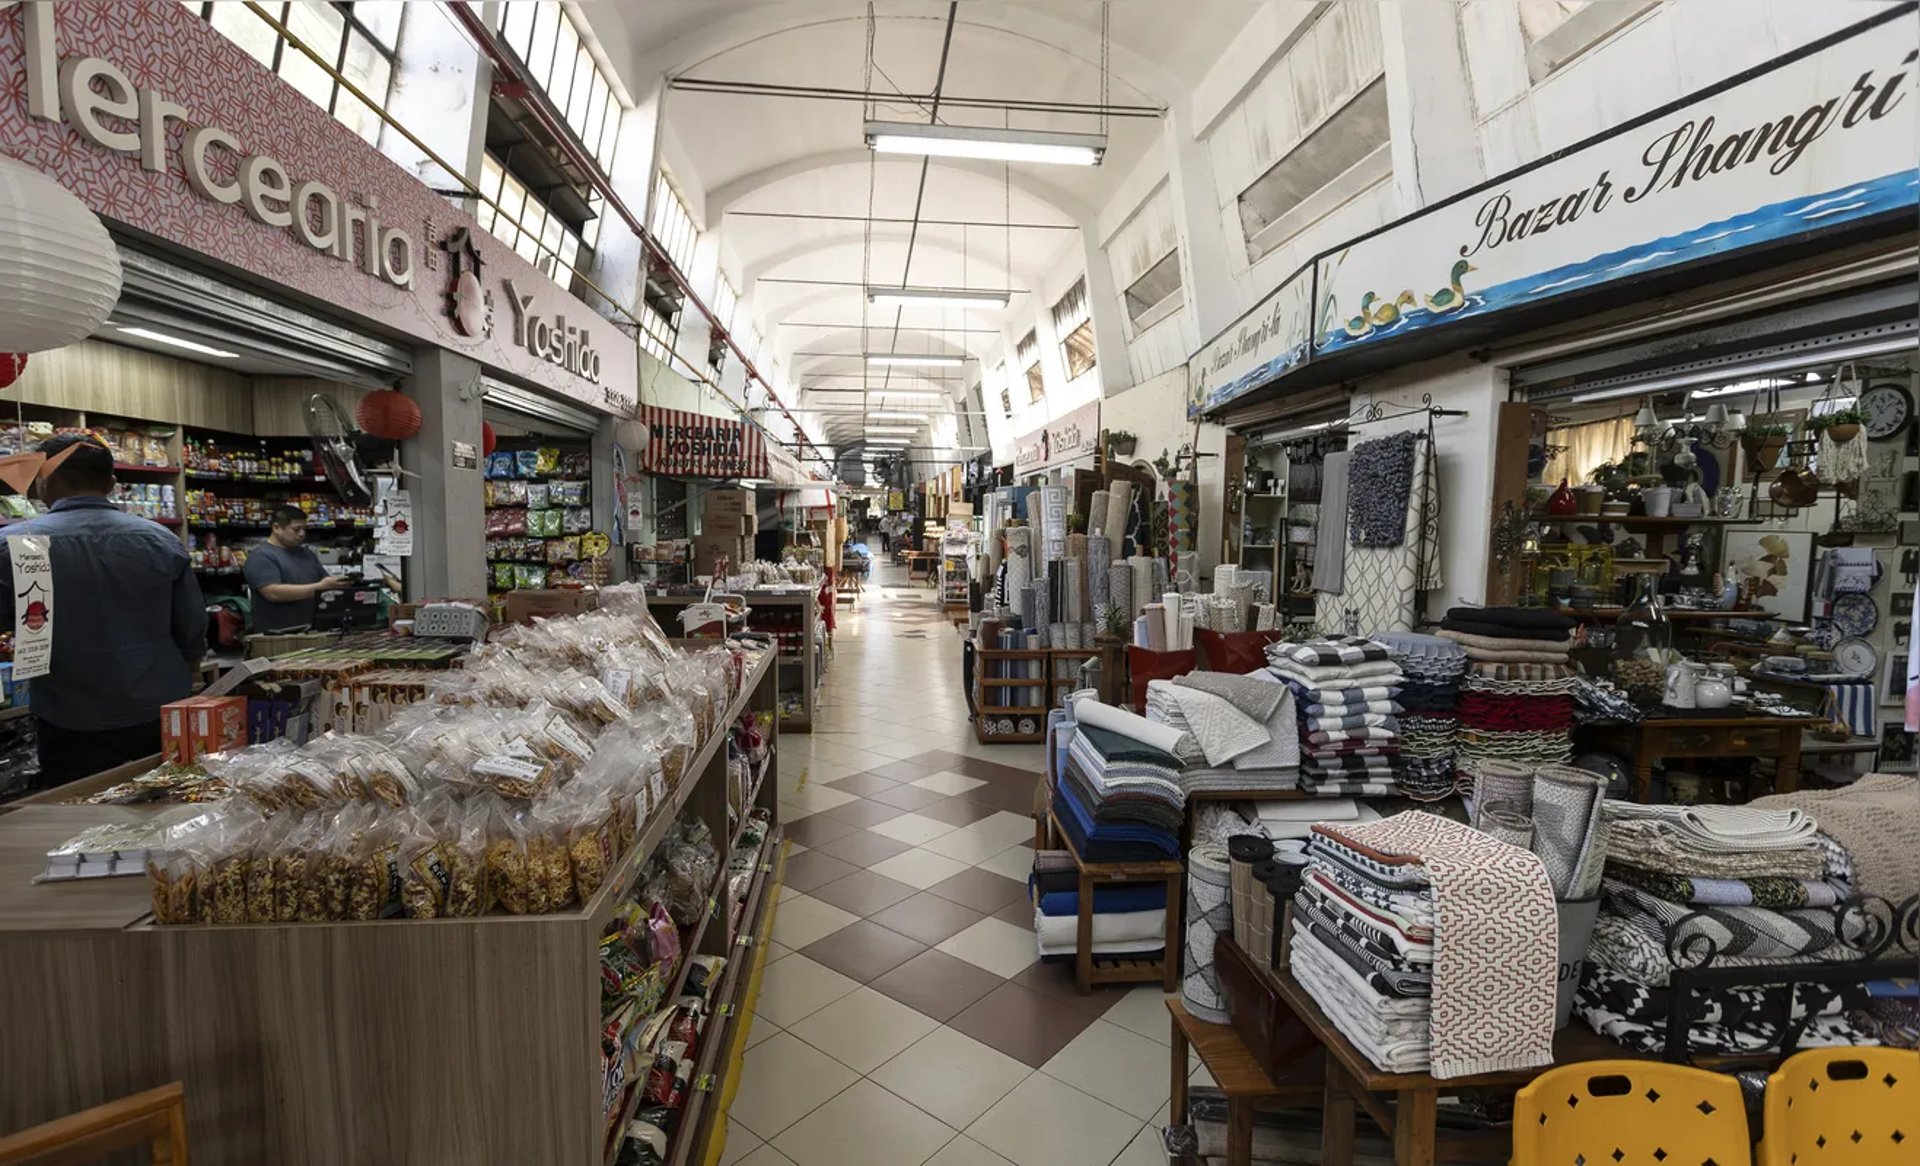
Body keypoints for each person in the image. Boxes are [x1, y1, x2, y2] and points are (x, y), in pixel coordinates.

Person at [0, 434, 207, 788]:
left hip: (70, 715)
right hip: (158, 709)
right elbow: (191, 630)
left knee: (79, 821)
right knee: (168, 806)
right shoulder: (161, 540)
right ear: (112, 483)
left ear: (44, 482)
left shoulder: (14, 544)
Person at [245, 505, 350, 633]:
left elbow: (325, 581)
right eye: (296, 529)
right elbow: (273, 593)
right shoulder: (261, 556)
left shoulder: (306, 554)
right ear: (277, 528)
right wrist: (319, 588)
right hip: (276, 635)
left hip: (311, 631)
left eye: (304, 529)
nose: (302, 534)